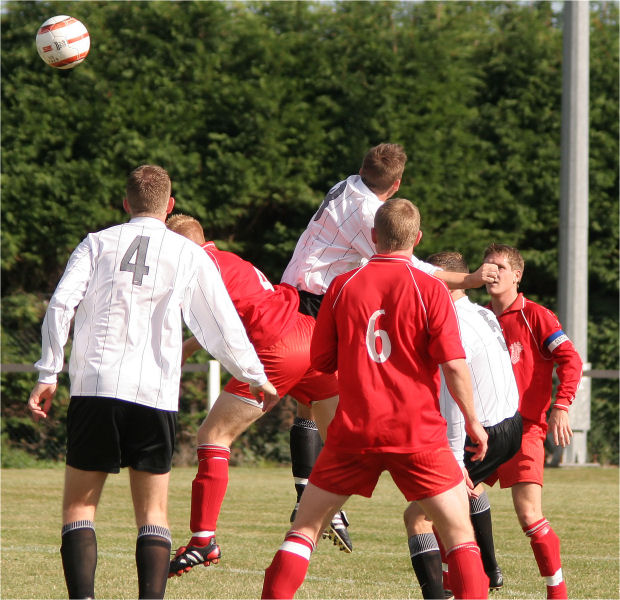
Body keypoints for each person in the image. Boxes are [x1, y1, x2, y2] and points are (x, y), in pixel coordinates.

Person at [27, 165, 278, 600]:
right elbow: (220, 324)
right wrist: (253, 375)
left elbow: (60, 305)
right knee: (154, 512)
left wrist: (49, 371)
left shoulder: (96, 243)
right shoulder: (189, 254)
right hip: (154, 392)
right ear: (170, 205)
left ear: (125, 203)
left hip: (95, 386)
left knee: (79, 507)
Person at [262, 198, 490, 600]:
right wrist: (472, 420)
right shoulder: (430, 289)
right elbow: (454, 365)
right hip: (416, 432)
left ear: (372, 237)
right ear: (417, 239)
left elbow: (322, 360)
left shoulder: (342, 285)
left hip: (354, 431)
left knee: (304, 530)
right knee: (458, 534)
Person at [281, 142, 500, 544]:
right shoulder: (369, 214)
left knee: (307, 403)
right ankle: (324, 500)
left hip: (293, 294)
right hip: (312, 301)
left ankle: (307, 494)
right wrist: (471, 280)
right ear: (396, 184)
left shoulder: (346, 185)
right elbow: (411, 265)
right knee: (341, 406)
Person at [164, 214, 343, 578]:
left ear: (180, 245)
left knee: (213, 437)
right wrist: (189, 346)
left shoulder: (194, 266)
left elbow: (228, 321)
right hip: (310, 333)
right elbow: (235, 310)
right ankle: (335, 506)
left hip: (278, 346)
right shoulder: (226, 259)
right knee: (344, 442)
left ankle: (203, 541)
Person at [403, 251, 522, 599]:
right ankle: (490, 568)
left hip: (482, 434)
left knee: (419, 517)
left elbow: (457, 391)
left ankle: (445, 592)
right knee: (472, 489)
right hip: (511, 423)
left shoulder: (448, 323)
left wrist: (455, 459)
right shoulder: (484, 313)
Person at [483, 243, 583, 600]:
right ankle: (468, 580)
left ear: (517, 275)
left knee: (529, 516)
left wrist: (562, 405)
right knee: (448, 509)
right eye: (488, 266)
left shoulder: (536, 315)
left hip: (524, 429)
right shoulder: (478, 317)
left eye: (500, 267)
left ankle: (557, 592)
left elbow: (570, 360)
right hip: (482, 431)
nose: (492, 272)